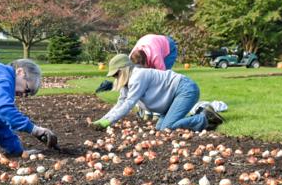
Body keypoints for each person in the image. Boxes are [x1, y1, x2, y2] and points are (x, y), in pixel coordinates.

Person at [91, 54, 223, 132]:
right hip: (173, 96)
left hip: (185, 90)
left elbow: (128, 104)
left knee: (168, 127)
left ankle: (205, 117)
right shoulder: (128, 81)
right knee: (160, 128)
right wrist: (103, 119)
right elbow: (120, 103)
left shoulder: (138, 76)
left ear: (123, 70)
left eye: (116, 74)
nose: (115, 78)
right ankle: (200, 116)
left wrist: (108, 122)